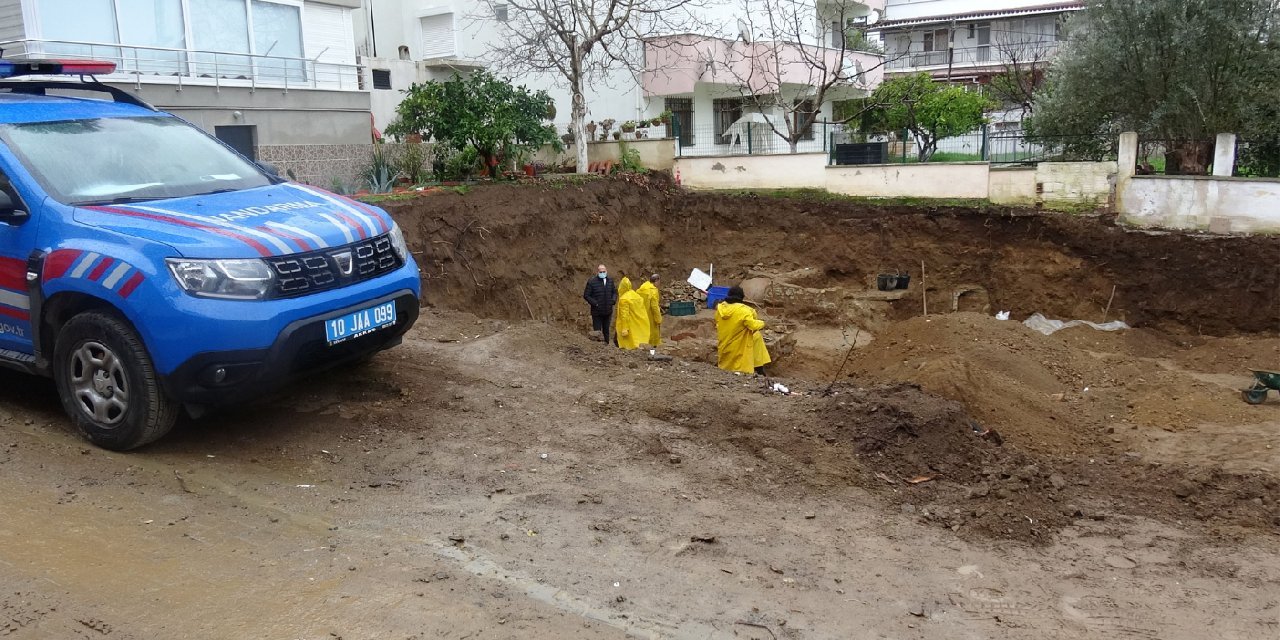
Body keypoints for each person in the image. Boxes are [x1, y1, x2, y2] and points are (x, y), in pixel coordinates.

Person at [714, 285, 772, 375]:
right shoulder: (744, 311)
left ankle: (759, 368)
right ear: (742, 297)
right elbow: (753, 325)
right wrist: (764, 323)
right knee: (756, 337)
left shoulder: (720, 308)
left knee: (756, 337)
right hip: (738, 347)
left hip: (724, 344)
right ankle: (759, 369)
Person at [583, 264, 617, 343]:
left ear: (606, 271)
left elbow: (614, 292)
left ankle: (607, 345)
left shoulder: (610, 281)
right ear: (597, 272)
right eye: (600, 272)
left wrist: (613, 300)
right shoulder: (592, 282)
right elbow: (586, 295)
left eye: (604, 271)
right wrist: (595, 303)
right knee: (597, 332)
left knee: (606, 331)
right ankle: (598, 347)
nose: (602, 273)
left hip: (608, 311)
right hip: (597, 312)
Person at [614, 278, 651, 350]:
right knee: (639, 344)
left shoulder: (624, 299)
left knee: (629, 346)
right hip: (640, 325)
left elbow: (624, 315)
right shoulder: (637, 296)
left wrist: (625, 328)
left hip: (630, 326)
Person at [636, 274, 663, 347]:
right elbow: (654, 307)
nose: (659, 283)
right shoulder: (653, 291)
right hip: (650, 317)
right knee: (652, 335)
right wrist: (658, 319)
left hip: (642, 316)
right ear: (656, 280)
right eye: (659, 281)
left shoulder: (641, 289)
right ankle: (652, 349)